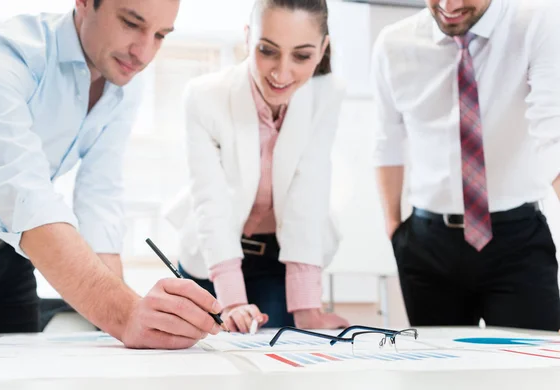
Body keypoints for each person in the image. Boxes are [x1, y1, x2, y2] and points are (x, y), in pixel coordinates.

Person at [0, 0, 223, 349]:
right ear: (84, 3)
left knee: (19, 374)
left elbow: (100, 196)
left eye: (160, 35)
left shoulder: (124, 80)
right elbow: (27, 199)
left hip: (10, 254)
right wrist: (127, 314)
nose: (143, 53)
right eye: (131, 23)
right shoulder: (0, 57)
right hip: (12, 229)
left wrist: (132, 324)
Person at [372, 0, 560, 330]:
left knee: (535, 372)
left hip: (516, 239)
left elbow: (553, 131)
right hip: (427, 246)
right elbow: (386, 141)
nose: (450, 5)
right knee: (441, 377)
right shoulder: (393, 44)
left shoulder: (535, 26)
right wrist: (393, 228)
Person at [165, 0, 350, 334]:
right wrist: (233, 303)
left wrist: (308, 309)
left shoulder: (327, 95)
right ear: (248, 38)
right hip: (210, 259)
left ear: (323, 49)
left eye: (302, 56)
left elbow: (308, 192)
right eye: (267, 50)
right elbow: (211, 201)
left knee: (276, 362)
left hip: (278, 258)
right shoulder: (204, 97)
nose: (281, 72)